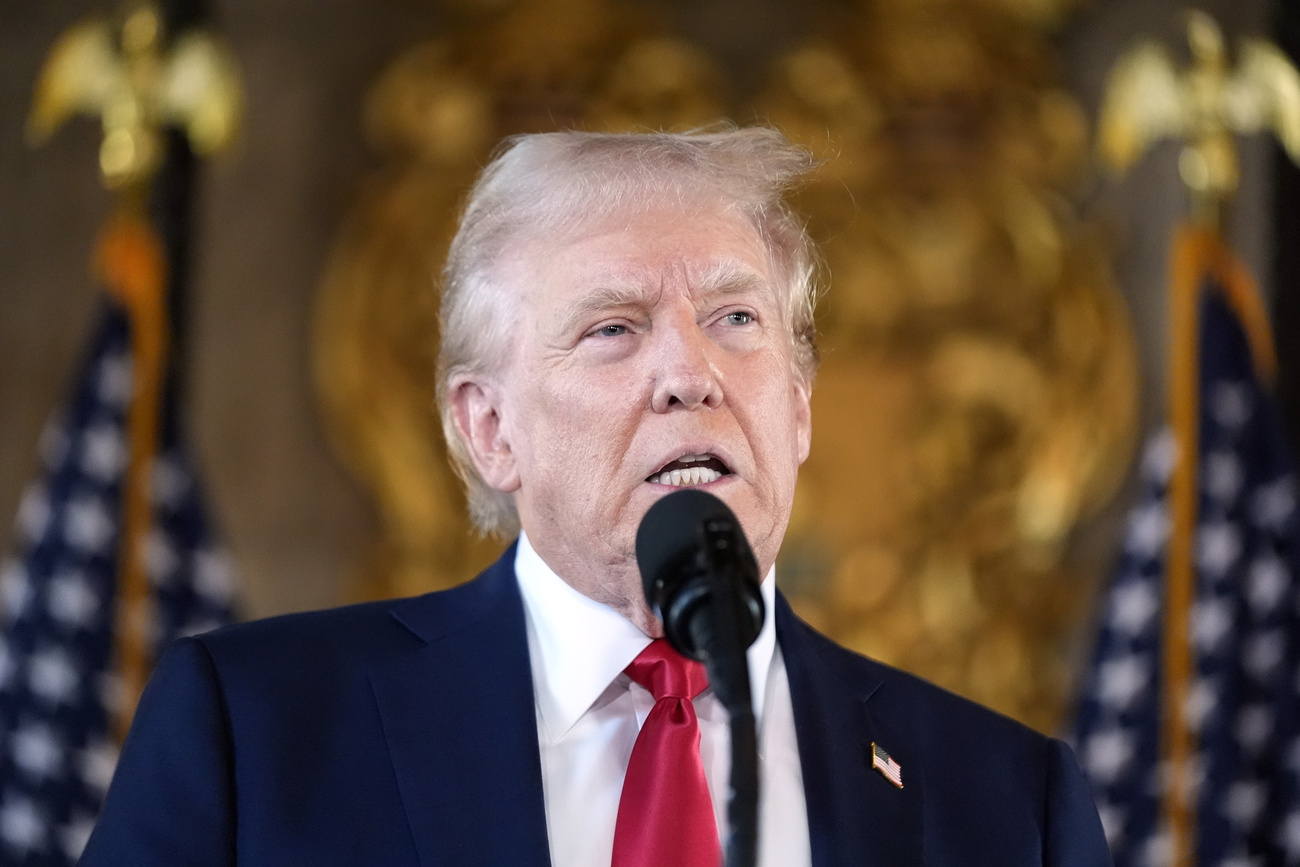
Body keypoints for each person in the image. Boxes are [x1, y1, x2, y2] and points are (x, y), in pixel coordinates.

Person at [79, 127, 1111, 867]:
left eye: (736, 318)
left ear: (798, 409)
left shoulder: (1009, 801)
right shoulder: (254, 733)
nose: (691, 374)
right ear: (490, 429)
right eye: (613, 328)